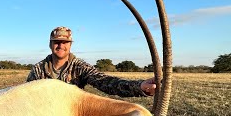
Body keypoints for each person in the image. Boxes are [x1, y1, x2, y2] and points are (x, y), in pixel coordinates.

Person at [26, 26, 157, 98]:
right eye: (56, 42)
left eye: (65, 42)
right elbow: (26, 95)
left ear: (70, 45)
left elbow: (105, 82)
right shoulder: (38, 69)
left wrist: (140, 86)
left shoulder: (80, 67)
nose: (60, 45)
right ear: (50, 44)